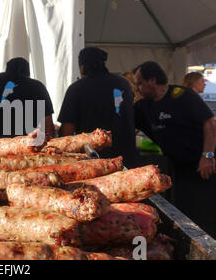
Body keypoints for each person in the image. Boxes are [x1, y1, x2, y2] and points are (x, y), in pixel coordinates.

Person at [134, 61, 216, 238]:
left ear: (152, 80)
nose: (138, 88)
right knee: (184, 212)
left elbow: (209, 123)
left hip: (201, 164)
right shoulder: (143, 107)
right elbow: (125, 124)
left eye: (140, 83)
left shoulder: (182, 96)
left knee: (205, 214)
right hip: (177, 166)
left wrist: (207, 156)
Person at [57, 47, 137, 168]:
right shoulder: (123, 84)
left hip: (95, 163)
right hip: (127, 158)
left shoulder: (77, 89)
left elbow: (66, 131)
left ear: (82, 67)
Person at [0, 57, 55, 140]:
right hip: (26, 146)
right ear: (28, 73)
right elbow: (47, 125)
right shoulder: (38, 87)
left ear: (6, 70)